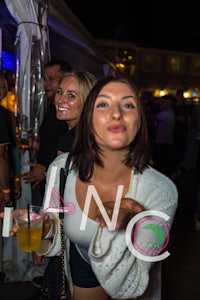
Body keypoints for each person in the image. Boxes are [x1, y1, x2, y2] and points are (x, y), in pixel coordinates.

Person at [2, 76, 178, 300]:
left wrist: (127, 224)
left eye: (128, 104)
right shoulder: (61, 167)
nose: (116, 113)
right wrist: (44, 226)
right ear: (89, 119)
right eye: (103, 104)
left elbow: (130, 287)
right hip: (82, 277)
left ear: (140, 120)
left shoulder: (161, 191)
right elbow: (57, 239)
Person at [21, 60, 72, 205]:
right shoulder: (52, 110)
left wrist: (46, 171)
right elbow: (53, 144)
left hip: (61, 190)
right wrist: (35, 144)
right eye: (44, 79)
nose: (46, 83)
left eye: (51, 79)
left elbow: (74, 154)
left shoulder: (69, 115)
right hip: (48, 185)